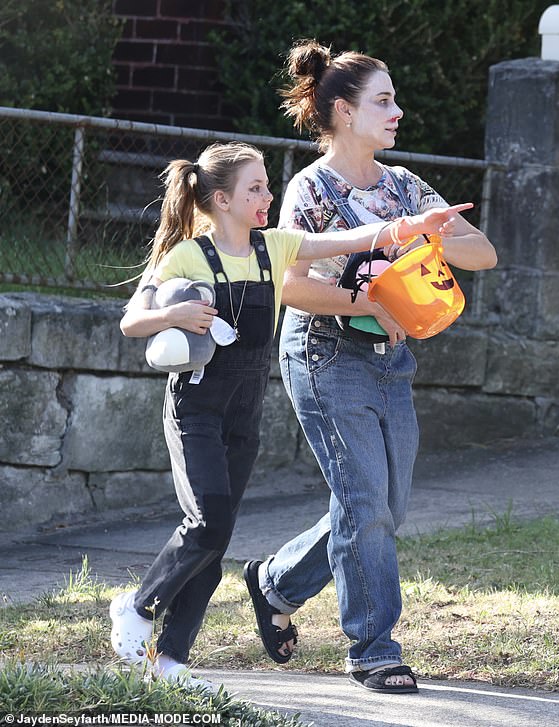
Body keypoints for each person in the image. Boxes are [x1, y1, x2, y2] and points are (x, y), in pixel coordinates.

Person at [108, 140, 471, 690]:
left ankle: (172, 659)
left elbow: (350, 238)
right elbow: (133, 321)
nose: (267, 196)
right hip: (195, 409)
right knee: (206, 524)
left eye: (266, 186)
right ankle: (137, 608)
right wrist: (176, 312)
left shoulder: (273, 248)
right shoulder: (187, 256)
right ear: (222, 199)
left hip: (243, 412)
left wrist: (412, 225)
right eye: (255, 188)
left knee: (218, 537)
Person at [243, 41, 497, 694]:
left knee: (387, 507)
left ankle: (274, 582)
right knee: (365, 503)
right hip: (326, 355)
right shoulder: (311, 190)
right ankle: (375, 649)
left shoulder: (404, 185)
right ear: (343, 112)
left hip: (392, 361)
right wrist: (364, 296)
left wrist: (430, 231)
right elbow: (291, 284)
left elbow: (485, 254)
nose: (398, 111)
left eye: (394, 99)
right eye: (383, 101)